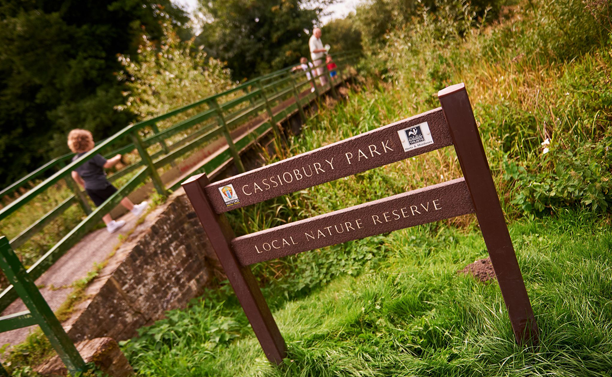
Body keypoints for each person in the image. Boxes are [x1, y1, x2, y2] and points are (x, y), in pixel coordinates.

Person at [67, 129, 149, 233]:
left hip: (89, 187)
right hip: (100, 183)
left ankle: (110, 224)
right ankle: (134, 209)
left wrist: (83, 184)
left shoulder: (75, 160)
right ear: (87, 142)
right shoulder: (92, 155)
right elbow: (107, 164)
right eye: (92, 140)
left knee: (100, 205)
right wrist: (117, 158)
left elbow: (74, 175)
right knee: (118, 195)